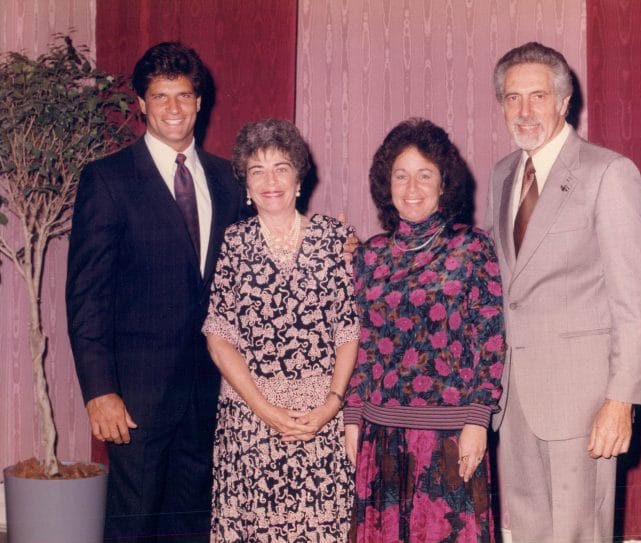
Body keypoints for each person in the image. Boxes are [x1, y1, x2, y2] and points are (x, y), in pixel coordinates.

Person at [66, 42, 243, 542]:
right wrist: (99, 391)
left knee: (193, 527)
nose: (172, 108)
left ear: (199, 102)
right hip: (136, 399)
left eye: (183, 96)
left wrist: (334, 244)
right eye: (160, 96)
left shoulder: (229, 181)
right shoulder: (108, 180)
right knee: (133, 526)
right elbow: (86, 296)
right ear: (141, 104)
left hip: (212, 393)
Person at [485, 42, 641, 542]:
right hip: (515, 399)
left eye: (538, 96)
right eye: (513, 98)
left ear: (564, 101)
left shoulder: (609, 173)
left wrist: (620, 400)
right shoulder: (502, 175)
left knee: (580, 534)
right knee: (530, 533)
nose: (524, 111)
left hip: (583, 403)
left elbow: (637, 300)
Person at [344, 118, 506, 542]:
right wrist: (352, 417)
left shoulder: (472, 247)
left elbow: (490, 340)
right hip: (381, 437)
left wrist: (478, 420)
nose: (411, 188)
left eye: (424, 175)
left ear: (443, 184)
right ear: (387, 183)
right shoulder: (370, 256)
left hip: (449, 436)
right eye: (401, 175)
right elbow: (362, 347)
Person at [202, 118, 359, 542]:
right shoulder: (234, 243)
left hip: (319, 423)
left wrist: (331, 405)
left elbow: (348, 332)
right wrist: (265, 410)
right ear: (247, 187)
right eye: (258, 171)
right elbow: (219, 337)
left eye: (281, 168)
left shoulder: (334, 238)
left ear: (299, 179)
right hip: (251, 424)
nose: (270, 180)